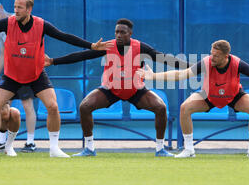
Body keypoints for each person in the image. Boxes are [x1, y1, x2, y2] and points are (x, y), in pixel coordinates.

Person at [0, 0, 110, 158]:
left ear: (29, 9)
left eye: (20, 7)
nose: (16, 10)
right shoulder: (7, 23)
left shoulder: (42, 25)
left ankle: (55, 148)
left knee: (53, 107)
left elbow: (65, 37)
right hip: (12, 75)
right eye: (15, 6)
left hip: (36, 74)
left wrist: (91, 46)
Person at [45, 18, 190, 157]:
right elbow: (82, 56)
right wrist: (53, 61)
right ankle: (89, 148)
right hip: (111, 89)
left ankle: (160, 149)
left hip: (135, 90)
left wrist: (191, 67)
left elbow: (164, 58)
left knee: (161, 108)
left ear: (130, 34)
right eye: (117, 32)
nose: (119, 35)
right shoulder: (108, 46)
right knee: (85, 106)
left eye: (122, 32)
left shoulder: (140, 47)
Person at [137, 39, 249, 159]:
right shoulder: (206, 62)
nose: (212, 58)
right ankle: (189, 149)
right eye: (211, 54)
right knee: (184, 108)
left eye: (216, 55)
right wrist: (153, 76)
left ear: (226, 56)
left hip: (234, 95)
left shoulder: (237, 63)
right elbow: (181, 74)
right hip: (208, 95)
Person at [0, 0, 37, 153]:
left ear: (1, 7)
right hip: (10, 73)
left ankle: (30, 142)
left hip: (25, 71)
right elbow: (2, 53)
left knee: (27, 105)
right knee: (1, 104)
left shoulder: (20, 20)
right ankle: (1, 141)